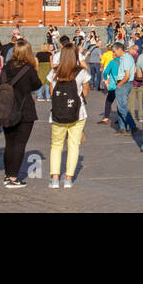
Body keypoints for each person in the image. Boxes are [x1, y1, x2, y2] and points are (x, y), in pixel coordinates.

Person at [46, 46, 91, 189]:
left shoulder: (54, 72)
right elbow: (85, 92)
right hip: (78, 113)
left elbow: (52, 93)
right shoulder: (81, 72)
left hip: (57, 113)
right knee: (73, 145)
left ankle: (54, 178)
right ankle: (68, 178)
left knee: (56, 145)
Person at [0, 40, 42, 189]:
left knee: (9, 143)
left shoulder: (6, 67)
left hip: (7, 109)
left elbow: (0, 85)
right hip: (24, 109)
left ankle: (7, 174)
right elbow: (37, 85)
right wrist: (35, 69)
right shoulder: (29, 69)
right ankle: (13, 177)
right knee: (20, 143)